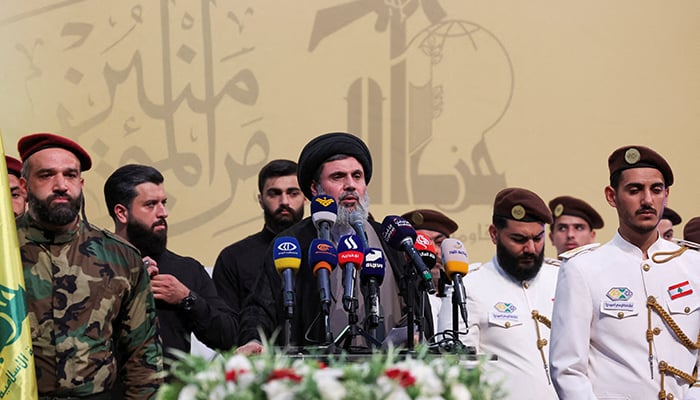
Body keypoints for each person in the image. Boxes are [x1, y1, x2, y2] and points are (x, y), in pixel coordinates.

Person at [240, 131, 434, 352]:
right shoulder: (292, 241)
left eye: (357, 176)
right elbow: (260, 308)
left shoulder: (390, 240)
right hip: (318, 370)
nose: (350, 185)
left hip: (388, 369)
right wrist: (253, 341)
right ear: (315, 188)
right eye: (338, 177)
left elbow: (418, 311)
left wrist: (418, 335)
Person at [16, 132, 163, 398]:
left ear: (81, 183)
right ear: (24, 186)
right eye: (47, 175)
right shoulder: (5, 253)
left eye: (70, 175)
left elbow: (143, 353)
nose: (61, 185)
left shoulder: (121, 257)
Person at [550, 145, 700, 399]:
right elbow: (568, 369)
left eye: (656, 190)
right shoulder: (583, 268)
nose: (647, 201)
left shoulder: (693, 265)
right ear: (611, 196)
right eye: (634, 190)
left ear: (666, 194)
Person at [104, 164, 239, 358]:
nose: (163, 213)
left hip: (174, 387)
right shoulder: (94, 267)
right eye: (150, 204)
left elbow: (229, 336)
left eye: (163, 203)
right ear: (122, 213)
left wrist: (186, 298)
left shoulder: (186, 270)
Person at [441, 187, 558, 400]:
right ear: (494, 234)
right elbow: (457, 374)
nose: (531, 248)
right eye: (519, 239)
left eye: (538, 238)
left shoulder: (563, 279)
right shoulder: (468, 287)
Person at [213, 159, 305, 346]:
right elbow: (226, 330)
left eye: (293, 193)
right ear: (261, 200)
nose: (284, 201)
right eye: (274, 194)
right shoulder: (233, 258)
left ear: (305, 197)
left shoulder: (321, 250)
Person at [400, 209, 460, 329]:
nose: (434, 251)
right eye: (422, 243)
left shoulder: (461, 294)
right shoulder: (400, 297)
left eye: (439, 243)